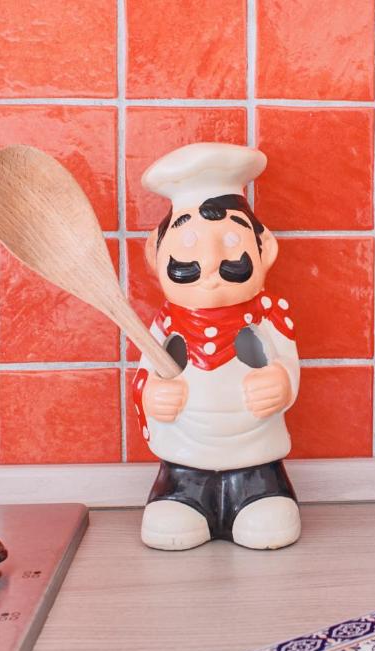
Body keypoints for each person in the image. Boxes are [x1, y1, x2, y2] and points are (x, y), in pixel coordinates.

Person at [133, 143, 300, 551]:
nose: (209, 262)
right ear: (155, 252)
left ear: (264, 248)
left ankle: (261, 499)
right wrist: (153, 394)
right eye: (189, 242)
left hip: (257, 463)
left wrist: (281, 382)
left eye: (229, 240)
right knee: (171, 520)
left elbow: (289, 366)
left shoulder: (269, 320)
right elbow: (143, 377)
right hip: (183, 467)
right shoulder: (162, 328)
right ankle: (181, 500)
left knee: (270, 518)